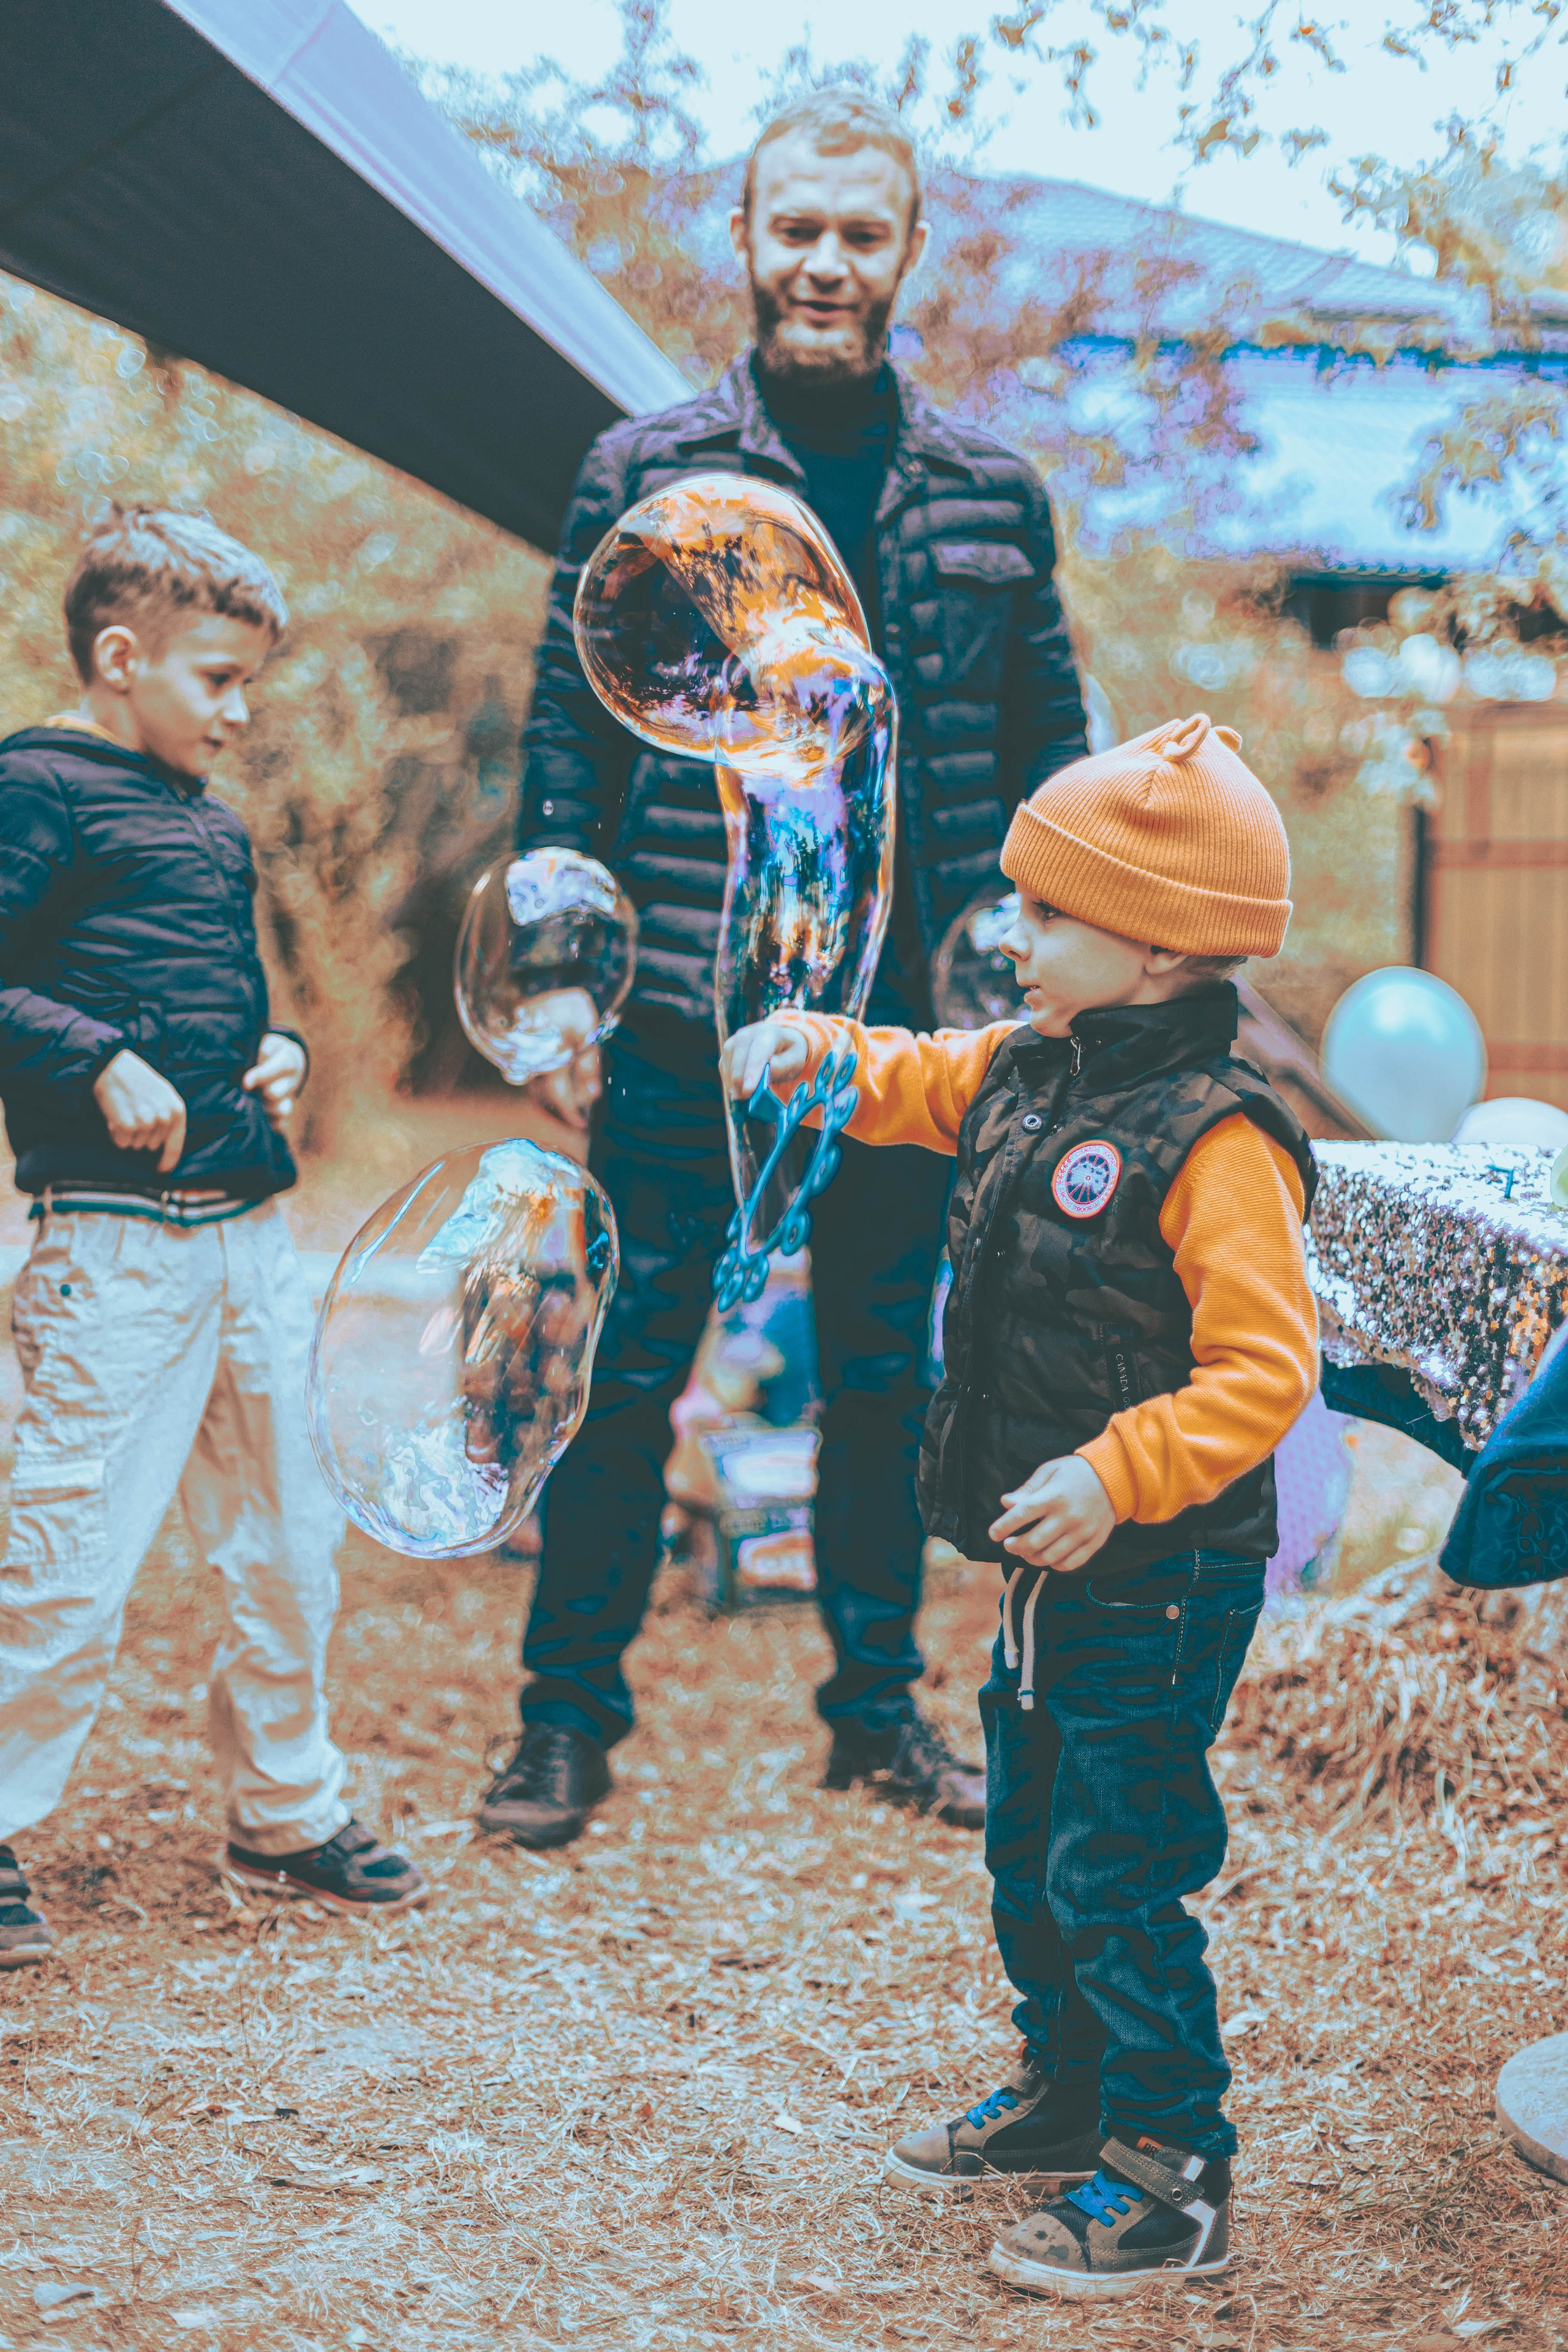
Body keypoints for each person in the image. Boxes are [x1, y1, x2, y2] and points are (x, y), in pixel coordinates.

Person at [481, 89, 1088, 1849]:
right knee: (626, 1354)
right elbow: (561, 756)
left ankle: (876, 1713)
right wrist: (556, 983)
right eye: (796, 229)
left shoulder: (991, 493)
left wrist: (1046, 974)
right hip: (683, 1010)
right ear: (745, 242)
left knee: (893, 1371)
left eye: (862, 233)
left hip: (906, 1031)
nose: (827, 263)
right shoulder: (645, 476)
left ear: (908, 252)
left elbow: (1051, 741)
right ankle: (562, 1723)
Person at [720, 714, 1319, 2300]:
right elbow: (914, 1081)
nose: (1015, 931)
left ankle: (1174, 2169)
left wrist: (1116, 1472)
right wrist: (816, 1058)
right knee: (1033, 1841)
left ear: (1166, 944)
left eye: (1051, 911)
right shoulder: (1028, 1065)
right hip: (1048, 1570)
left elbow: (1265, 1377)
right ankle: (1070, 2095)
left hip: (1162, 1568)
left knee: (1120, 1863)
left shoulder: (1220, 1139)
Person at [0, 508, 425, 1972]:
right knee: (67, 1555)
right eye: (217, 681)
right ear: (119, 659)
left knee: (290, 1541)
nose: (240, 714)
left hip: (250, 1236)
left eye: (252, 683)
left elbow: (211, 996)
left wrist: (280, 1054)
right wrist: (86, 1058)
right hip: (112, 1252)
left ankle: (285, 1805)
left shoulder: (210, 817)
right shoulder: (36, 789)